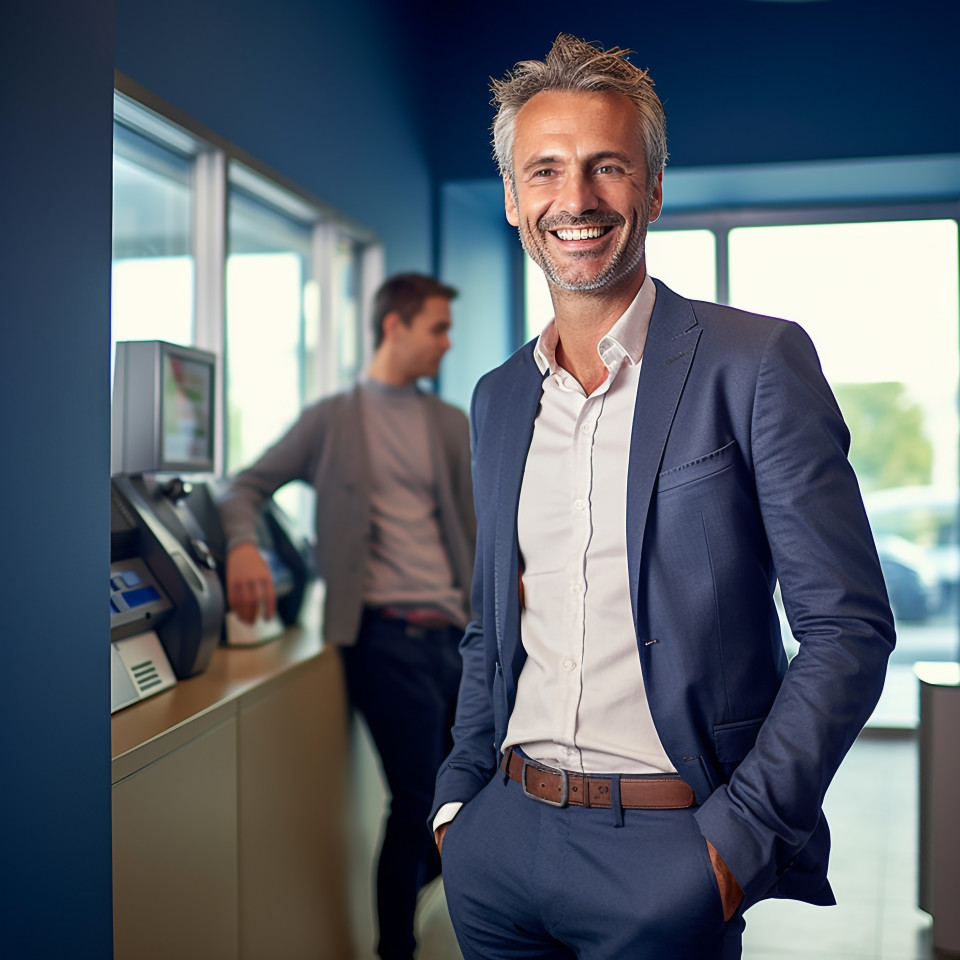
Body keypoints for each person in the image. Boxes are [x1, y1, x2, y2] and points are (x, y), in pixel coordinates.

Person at [430, 34, 895, 960]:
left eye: (608, 167)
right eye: (547, 171)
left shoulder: (754, 363)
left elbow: (847, 628)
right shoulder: (497, 396)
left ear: (651, 188)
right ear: (517, 199)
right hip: (500, 839)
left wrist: (737, 845)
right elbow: (495, 622)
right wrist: (457, 802)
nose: (577, 199)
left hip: (669, 849)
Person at [219, 272, 475, 960]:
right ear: (394, 326)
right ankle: (396, 949)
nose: (446, 345)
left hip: (460, 640)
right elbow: (242, 487)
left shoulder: (449, 423)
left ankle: (436, 899)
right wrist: (242, 545)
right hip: (382, 640)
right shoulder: (330, 420)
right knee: (417, 796)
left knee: (470, 793)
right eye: (437, 329)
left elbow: (482, 530)